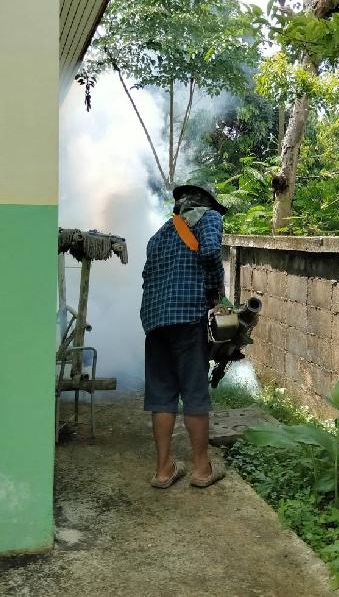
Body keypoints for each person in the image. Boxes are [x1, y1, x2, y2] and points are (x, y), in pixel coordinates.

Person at [140, 184, 228, 488]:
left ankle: (163, 470)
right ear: (205, 205)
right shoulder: (209, 218)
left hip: (154, 321)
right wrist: (217, 290)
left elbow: (147, 277)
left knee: (162, 395)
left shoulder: (159, 235)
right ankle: (202, 470)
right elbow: (211, 251)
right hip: (188, 316)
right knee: (194, 392)